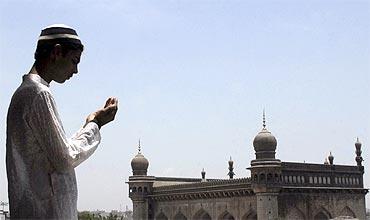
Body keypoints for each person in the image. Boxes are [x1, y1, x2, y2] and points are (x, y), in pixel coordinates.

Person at [6, 24, 118, 219]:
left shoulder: (25, 93)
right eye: (74, 61)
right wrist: (96, 124)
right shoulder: (38, 94)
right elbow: (64, 159)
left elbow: (56, 152)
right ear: (57, 52)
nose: (75, 71)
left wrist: (89, 124)